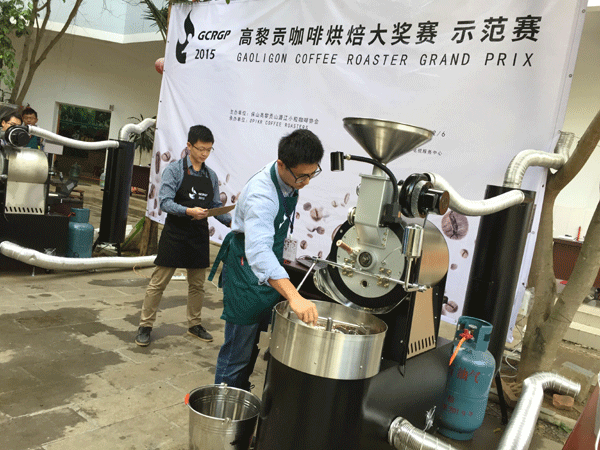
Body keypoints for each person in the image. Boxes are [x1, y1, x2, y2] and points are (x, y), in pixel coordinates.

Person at [208, 129, 323, 390]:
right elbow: (259, 252)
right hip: (245, 267)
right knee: (238, 349)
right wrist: (294, 296)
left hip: (268, 262)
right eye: (301, 176)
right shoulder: (262, 195)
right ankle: (222, 403)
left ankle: (240, 391)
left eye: (312, 174)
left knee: (252, 344)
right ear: (281, 164)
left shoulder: (288, 178)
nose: (306, 182)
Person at [135, 125, 231, 347]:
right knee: (158, 283)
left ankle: (194, 324)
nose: (205, 154)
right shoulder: (175, 170)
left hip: (198, 235)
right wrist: (189, 211)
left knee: (197, 285)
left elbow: (215, 205)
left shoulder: (211, 175)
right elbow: (165, 202)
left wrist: (232, 222)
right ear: (189, 146)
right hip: (175, 233)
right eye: (201, 149)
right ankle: (145, 325)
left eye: (209, 149)